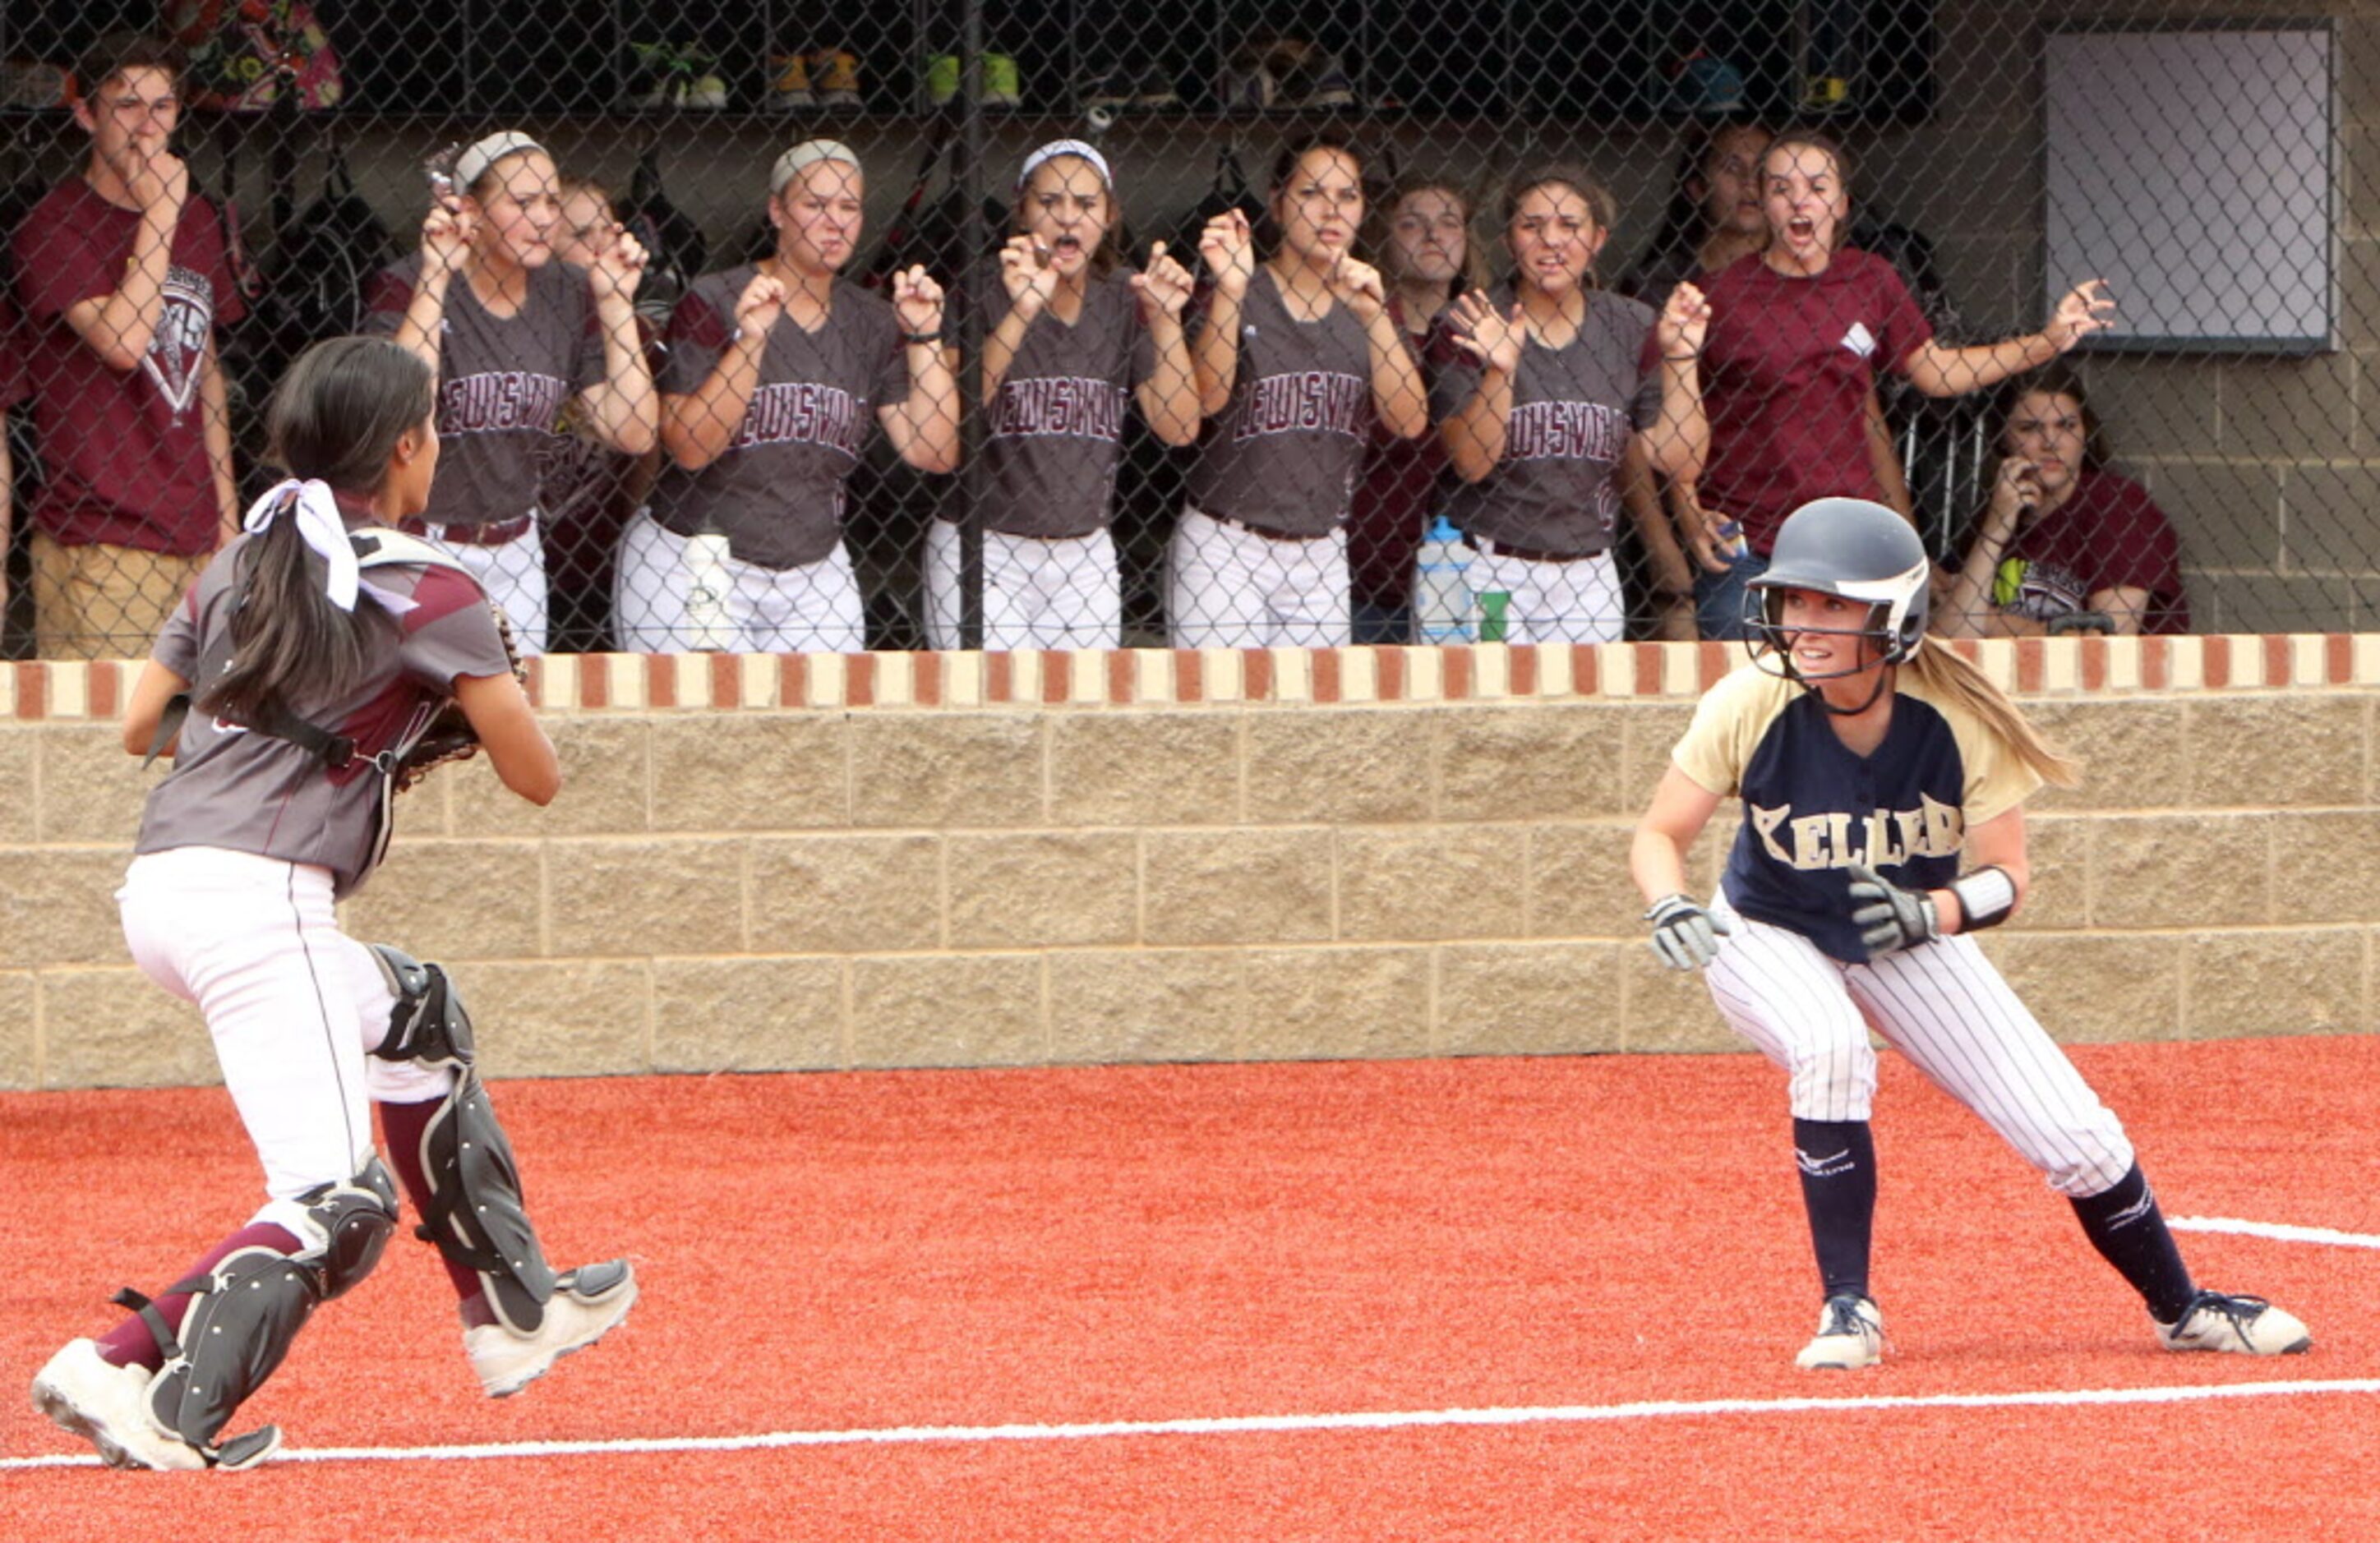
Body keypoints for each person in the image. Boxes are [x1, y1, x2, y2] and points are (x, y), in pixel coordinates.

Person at [29, 336, 638, 1472]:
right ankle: (138, 1379)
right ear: (405, 447)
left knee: (416, 1014)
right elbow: (536, 774)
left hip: (165, 883)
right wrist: (373, 740)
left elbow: (140, 727)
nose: (437, 448)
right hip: (262, 904)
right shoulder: (431, 585)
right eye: (431, 432)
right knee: (337, 1202)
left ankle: (513, 1309)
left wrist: (273, 735)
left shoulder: (237, 563)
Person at [1630, 495, 2308, 1370]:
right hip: (1766, 927)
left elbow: (2007, 880)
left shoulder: (1954, 718)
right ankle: (1848, 1310)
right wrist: (1666, 902)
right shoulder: (1752, 700)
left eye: (1833, 604)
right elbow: (1660, 834)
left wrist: (1931, 914)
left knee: (2075, 1132)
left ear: (1893, 617)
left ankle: (2182, 1309)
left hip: (1905, 932)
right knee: (1831, 1046)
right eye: (1797, 600)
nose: (1804, 623)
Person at [1682, 131, 2114, 640]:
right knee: (1755, 703)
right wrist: (1688, 509)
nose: (1800, 200)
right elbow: (1676, 420)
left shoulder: (1871, 280)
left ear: (1841, 204)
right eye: (1782, 188)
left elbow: (1934, 370)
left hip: (1854, 543)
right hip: (1752, 546)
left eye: (1817, 187)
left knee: (1861, 699)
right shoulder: (1721, 294)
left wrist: (2046, 342)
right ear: (1767, 204)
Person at [617, 139, 960, 654]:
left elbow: (932, 451)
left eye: (849, 207)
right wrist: (751, 341)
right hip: (698, 555)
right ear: (777, 210)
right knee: (695, 727)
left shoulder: (870, 319)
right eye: (815, 205)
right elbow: (689, 448)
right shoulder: (716, 297)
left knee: (827, 725)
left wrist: (925, 337)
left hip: (814, 567)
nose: (835, 221)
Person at [367, 131, 658, 655]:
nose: (545, 218)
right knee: (422, 720)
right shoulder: (406, 281)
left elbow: (632, 431)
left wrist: (616, 306)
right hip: (420, 539)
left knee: (517, 714)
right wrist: (436, 277)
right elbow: (402, 415)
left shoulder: (568, 291)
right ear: (472, 212)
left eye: (550, 201)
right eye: (522, 203)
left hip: (517, 549)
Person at [11, 32, 242, 660]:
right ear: (86, 115)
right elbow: (122, 340)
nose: (147, 126)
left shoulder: (199, 219)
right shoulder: (52, 227)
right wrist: (159, 214)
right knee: (115, 741)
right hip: (101, 539)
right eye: (127, 106)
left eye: (162, 107)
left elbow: (207, 374)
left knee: (205, 735)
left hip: (195, 532)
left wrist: (227, 519)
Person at [922, 139, 1199, 652]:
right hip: (984, 545)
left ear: (1110, 215)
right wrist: (1021, 310)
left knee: (1085, 718)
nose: (1067, 219)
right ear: (1023, 209)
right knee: (987, 711)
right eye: (1049, 203)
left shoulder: (1125, 294)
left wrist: (1165, 320)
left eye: (1086, 205)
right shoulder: (983, 287)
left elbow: (1178, 427)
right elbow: (950, 415)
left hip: (1084, 551)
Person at [1430, 167, 1711, 644]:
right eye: (1532, 226)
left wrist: (1682, 359)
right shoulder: (1471, 318)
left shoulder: (1629, 325)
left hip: (1587, 574)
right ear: (1508, 240)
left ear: (1598, 239)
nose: (1552, 241)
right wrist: (1501, 369)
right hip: (1483, 567)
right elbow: (1471, 463)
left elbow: (1680, 460)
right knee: (1481, 708)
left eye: (1570, 226)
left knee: (1588, 713)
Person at [1171, 133, 1428, 649]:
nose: (1331, 210)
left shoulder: (1372, 301)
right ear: (1278, 201)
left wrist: (1374, 316)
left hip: (1322, 547)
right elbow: (1206, 400)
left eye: (1348, 195)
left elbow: (1409, 423)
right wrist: (1231, 289)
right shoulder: (1242, 286)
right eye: (1312, 192)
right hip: (1226, 543)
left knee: (1316, 719)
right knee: (1217, 711)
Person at [1935, 366, 2189, 638]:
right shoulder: (1997, 512)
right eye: (2030, 428)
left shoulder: (2119, 507)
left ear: (2085, 434)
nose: (2051, 443)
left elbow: (2104, 646)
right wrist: (1994, 531)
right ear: (2002, 438)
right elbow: (1951, 638)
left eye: (2066, 426)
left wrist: (1990, 620)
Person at [1346, 174, 1483, 645]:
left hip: (1461, 564)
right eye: (1411, 224)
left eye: (1449, 223)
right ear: (1381, 239)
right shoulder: (1357, 329)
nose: (1433, 235)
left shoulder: (1490, 335)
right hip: (1360, 564)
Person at [539, 174, 660, 652]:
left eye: (607, 231)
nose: (598, 245)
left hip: (599, 544)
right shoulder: (525, 324)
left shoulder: (639, 333)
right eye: (580, 234)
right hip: (525, 534)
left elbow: (646, 450)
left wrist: (627, 525)